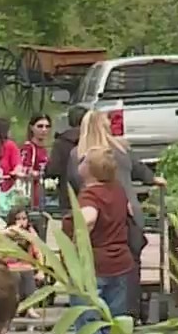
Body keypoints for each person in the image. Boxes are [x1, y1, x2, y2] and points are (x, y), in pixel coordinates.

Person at [65, 109, 161, 309]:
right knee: (130, 263)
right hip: (128, 212)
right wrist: (153, 179)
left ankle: (103, 313)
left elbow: (74, 183)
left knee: (97, 268)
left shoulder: (79, 155)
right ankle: (130, 310)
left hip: (97, 216)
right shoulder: (120, 149)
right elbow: (139, 168)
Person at [65, 147, 137, 334]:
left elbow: (88, 219)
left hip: (93, 267)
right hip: (120, 263)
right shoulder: (118, 190)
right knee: (116, 324)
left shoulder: (90, 195)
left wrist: (75, 242)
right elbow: (129, 212)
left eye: (84, 161)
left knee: (89, 325)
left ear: (89, 170)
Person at [43, 105, 87, 213]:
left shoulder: (61, 143)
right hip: (90, 194)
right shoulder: (93, 140)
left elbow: (53, 170)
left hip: (68, 195)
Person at [4, 205, 42, 304]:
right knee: (15, 275)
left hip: (26, 265)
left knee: (27, 271)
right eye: (18, 219)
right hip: (10, 265)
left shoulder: (30, 233)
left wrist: (41, 270)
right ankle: (15, 304)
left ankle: (30, 306)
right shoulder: (6, 233)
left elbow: (38, 251)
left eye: (24, 218)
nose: (21, 221)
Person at [19, 113, 53, 210]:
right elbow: (23, 170)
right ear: (31, 128)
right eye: (40, 126)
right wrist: (38, 174)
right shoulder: (28, 148)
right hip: (31, 194)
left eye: (47, 126)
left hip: (44, 193)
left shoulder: (45, 149)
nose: (44, 130)